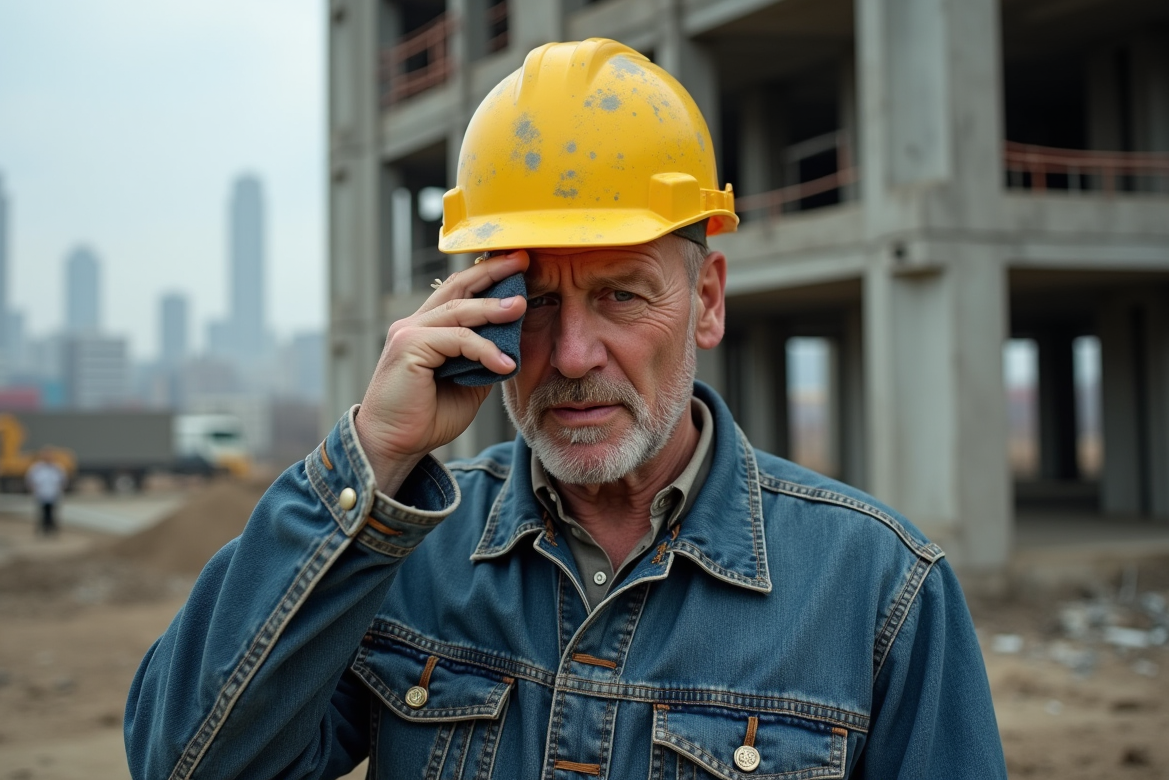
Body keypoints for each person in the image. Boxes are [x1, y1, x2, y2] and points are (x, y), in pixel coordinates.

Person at [126, 39, 1005, 779]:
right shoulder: (410, 560)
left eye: (622, 295)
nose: (574, 355)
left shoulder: (876, 592)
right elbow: (184, 762)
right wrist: (375, 455)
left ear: (706, 300)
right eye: (536, 302)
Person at [25, 447, 66, 536]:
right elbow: (30, 479)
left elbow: (62, 480)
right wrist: (33, 489)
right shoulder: (37, 468)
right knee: (42, 513)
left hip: (53, 494)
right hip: (41, 494)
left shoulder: (57, 467)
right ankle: (43, 530)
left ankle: (52, 530)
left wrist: (60, 490)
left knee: (52, 513)